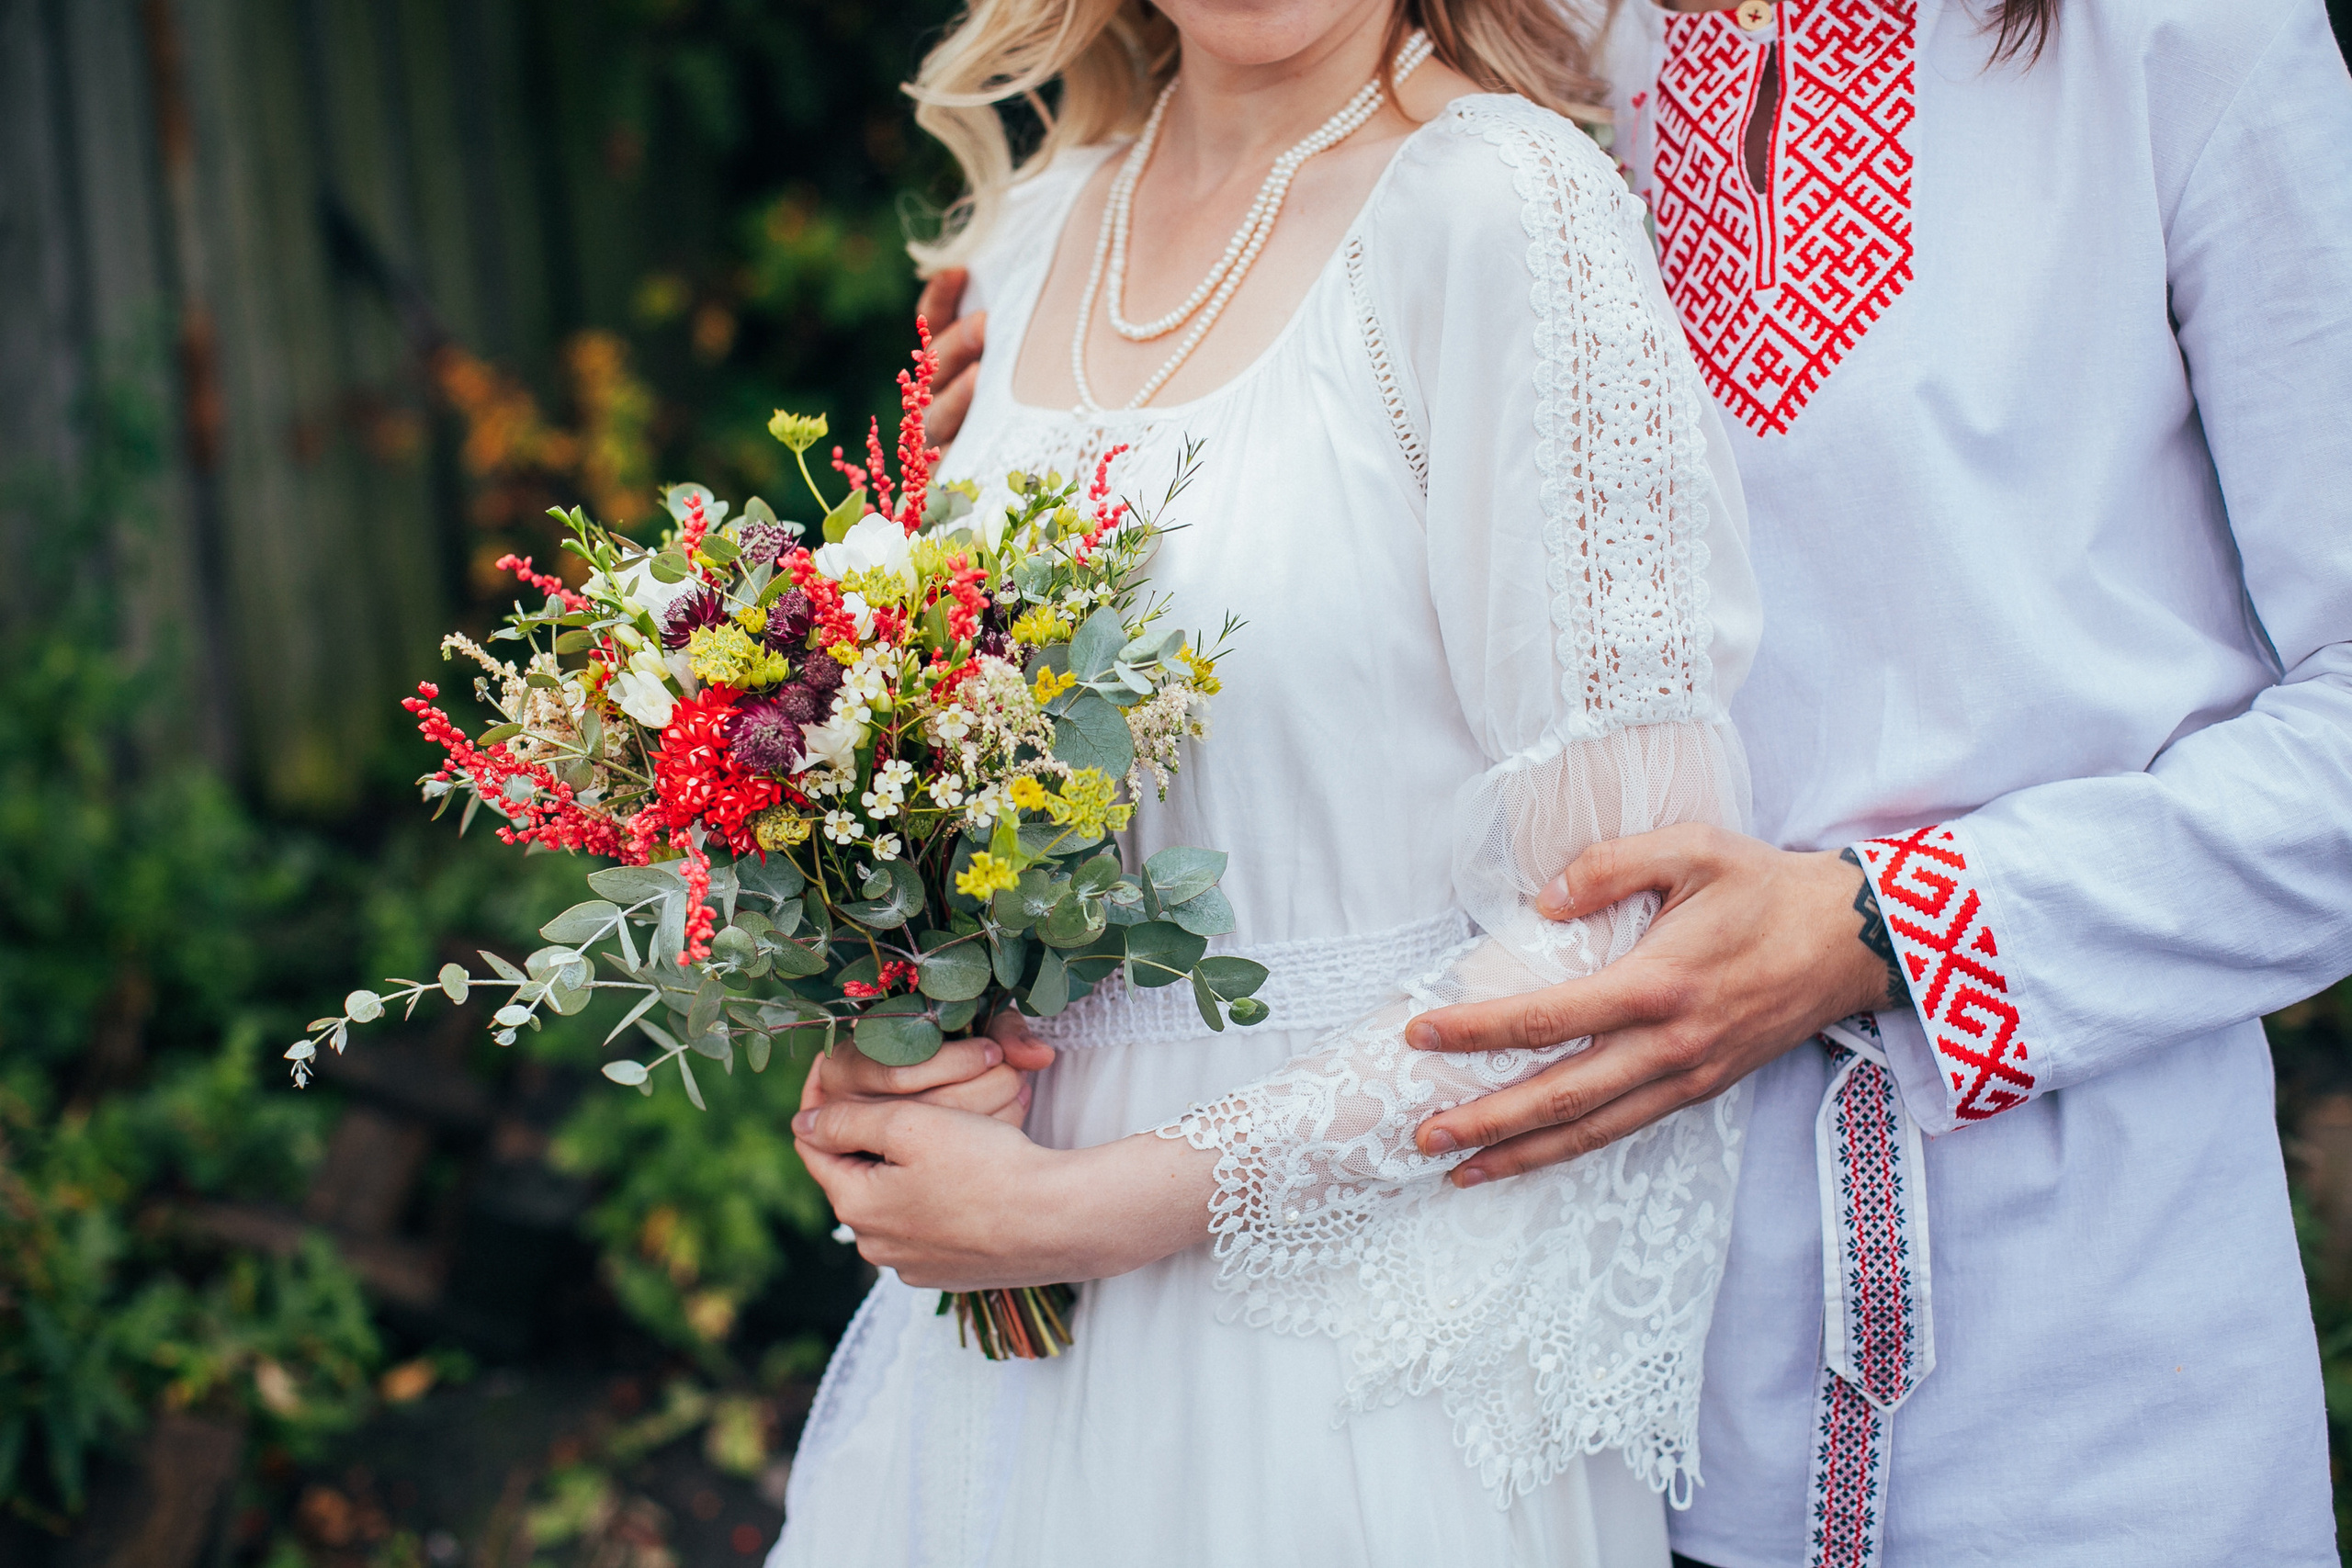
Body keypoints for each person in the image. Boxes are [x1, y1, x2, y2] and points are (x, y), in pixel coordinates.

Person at [905, 1, 2352, 1563]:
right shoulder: (1534, 28)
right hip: (1568, 1382)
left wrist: (1899, 929)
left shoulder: (2185, 39)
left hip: (2083, 1368)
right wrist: (1067, 422)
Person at [770, 0, 1770, 1562]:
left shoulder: (1505, 211)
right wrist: (895, 1041)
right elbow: (947, 789)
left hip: (1355, 1366)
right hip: (1011, 1367)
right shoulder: (1038, 227)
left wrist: (1100, 1211)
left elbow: (1624, 924)